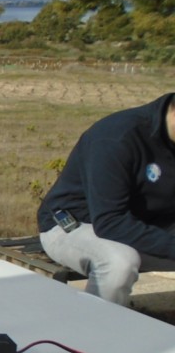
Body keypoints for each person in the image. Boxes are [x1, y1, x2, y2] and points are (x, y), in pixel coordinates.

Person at [38, 93, 175, 306]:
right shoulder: (116, 136)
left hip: (145, 224)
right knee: (119, 263)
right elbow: (110, 222)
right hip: (76, 225)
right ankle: (96, 325)